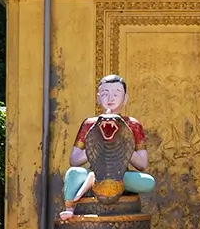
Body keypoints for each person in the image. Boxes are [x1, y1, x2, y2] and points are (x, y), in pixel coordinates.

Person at [61, 74, 154, 214]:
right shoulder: (90, 124)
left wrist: (123, 146)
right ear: (98, 98)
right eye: (105, 94)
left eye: (116, 94)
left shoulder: (132, 124)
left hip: (121, 175)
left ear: (125, 98)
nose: (110, 99)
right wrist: (98, 145)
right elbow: (74, 160)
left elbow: (142, 164)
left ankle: (93, 182)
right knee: (73, 173)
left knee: (148, 182)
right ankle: (70, 207)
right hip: (95, 171)